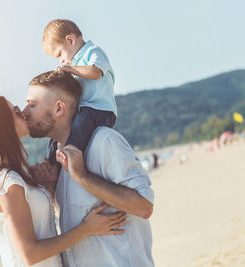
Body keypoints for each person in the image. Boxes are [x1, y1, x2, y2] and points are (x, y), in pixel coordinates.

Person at [0, 96, 126, 267]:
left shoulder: (16, 176)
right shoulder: (8, 182)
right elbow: (30, 254)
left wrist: (48, 189)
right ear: (2, 126)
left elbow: (41, 228)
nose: (22, 112)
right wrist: (86, 228)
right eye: (15, 111)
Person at [22, 71, 155, 266]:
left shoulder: (104, 141)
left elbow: (144, 207)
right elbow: (73, 213)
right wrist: (50, 192)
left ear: (59, 108)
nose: (24, 112)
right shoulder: (55, 157)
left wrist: (82, 176)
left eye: (32, 105)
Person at [42, 19, 117, 163]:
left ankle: (69, 160)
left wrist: (70, 69)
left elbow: (95, 71)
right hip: (84, 110)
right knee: (57, 130)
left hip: (100, 110)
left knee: (81, 123)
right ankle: (51, 163)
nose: (61, 61)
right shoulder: (74, 64)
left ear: (70, 40)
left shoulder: (93, 51)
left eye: (59, 54)